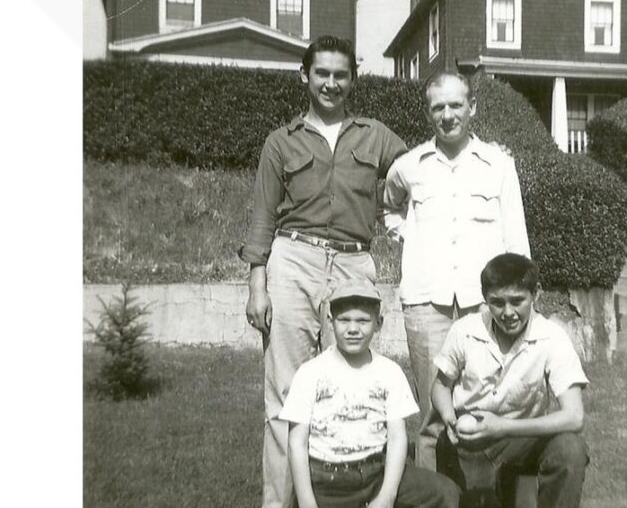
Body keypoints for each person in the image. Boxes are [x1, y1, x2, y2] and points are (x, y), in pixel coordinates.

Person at [241, 35, 408, 508]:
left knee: (349, 388)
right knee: (287, 396)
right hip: (293, 261)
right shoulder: (281, 142)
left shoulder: (376, 135)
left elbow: (419, 175)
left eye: (341, 74)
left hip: (354, 265)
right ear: (305, 76)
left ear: (353, 79)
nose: (331, 83)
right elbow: (261, 218)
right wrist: (258, 286)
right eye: (322, 73)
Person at [383, 72, 531, 470]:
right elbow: (389, 204)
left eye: (456, 105)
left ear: (472, 108)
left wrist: (521, 301)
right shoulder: (409, 165)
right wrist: (405, 234)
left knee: (488, 403)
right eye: (438, 107)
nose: (447, 115)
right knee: (433, 415)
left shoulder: (499, 164)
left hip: (485, 306)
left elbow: (516, 239)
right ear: (428, 112)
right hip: (425, 303)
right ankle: (435, 495)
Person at [279, 277, 461, 508]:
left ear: (379, 323)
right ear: (330, 320)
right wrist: (306, 502)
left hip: (375, 472)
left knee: (445, 492)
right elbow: (297, 442)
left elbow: (397, 438)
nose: (353, 329)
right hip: (325, 479)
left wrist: (387, 496)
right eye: (344, 320)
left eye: (363, 321)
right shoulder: (310, 373)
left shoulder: (389, 372)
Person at [431, 253, 589, 508]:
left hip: (526, 440)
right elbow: (440, 386)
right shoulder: (465, 330)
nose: (508, 313)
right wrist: (450, 419)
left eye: (517, 301)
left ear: (535, 293)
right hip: (472, 442)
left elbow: (574, 417)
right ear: (485, 299)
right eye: (497, 303)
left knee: (569, 449)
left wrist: (502, 427)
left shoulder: (552, 337)